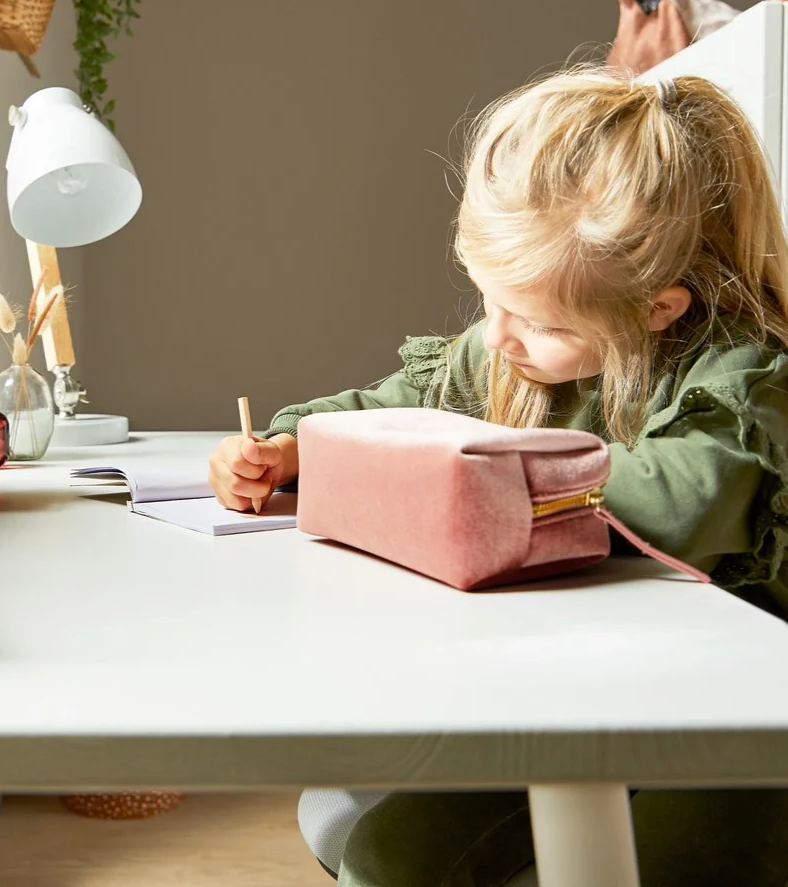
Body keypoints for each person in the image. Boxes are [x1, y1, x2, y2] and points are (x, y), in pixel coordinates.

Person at [208, 69, 788, 886]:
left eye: (540, 321)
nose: (500, 338)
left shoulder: (739, 381)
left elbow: (680, 500)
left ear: (659, 308)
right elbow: (393, 403)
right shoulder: (512, 350)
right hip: (567, 694)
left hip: (732, 718)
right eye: (490, 301)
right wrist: (289, 447)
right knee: (383, 854)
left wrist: (471, 474)